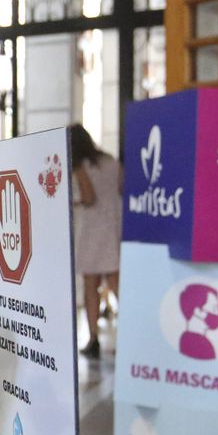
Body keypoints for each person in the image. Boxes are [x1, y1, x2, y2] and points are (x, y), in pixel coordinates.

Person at [68, 124, 122, 359]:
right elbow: (123, 187)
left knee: (91, 286)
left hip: (91, 231)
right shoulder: (110, 161)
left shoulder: (80, 166)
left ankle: (93, 338)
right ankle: (133, 335)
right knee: (117, 284)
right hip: (113, 227)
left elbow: (89, 198)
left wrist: (73, 202)